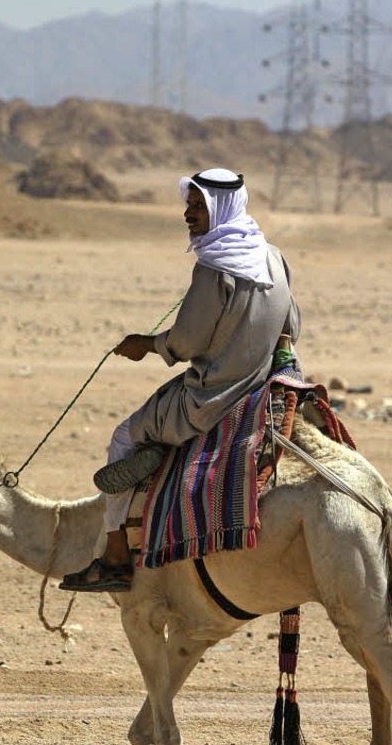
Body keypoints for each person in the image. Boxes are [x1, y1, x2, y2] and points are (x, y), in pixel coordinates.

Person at [60, 167, 301, 594]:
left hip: (208, 399)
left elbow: (187, 343)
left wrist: (146, 344)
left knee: (123, 437)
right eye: (188, 205)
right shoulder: (274, 256)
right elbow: (292, 326)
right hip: (259, 391)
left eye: (197, 206)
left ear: (220, 207)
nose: (188, 214)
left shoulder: (214, 267)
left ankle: (114, 557)